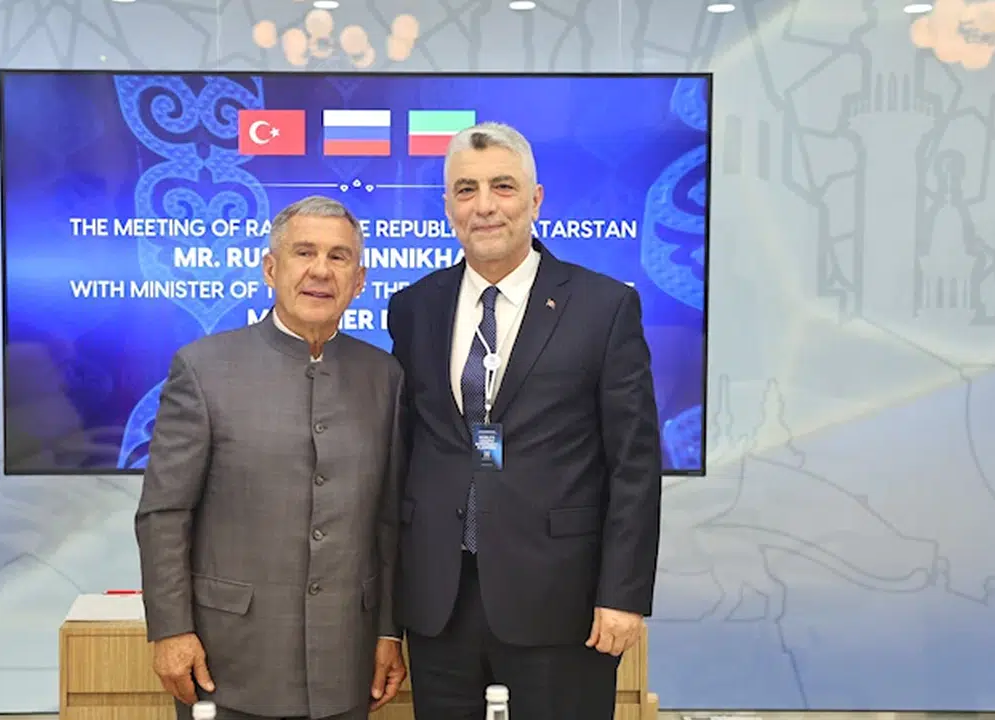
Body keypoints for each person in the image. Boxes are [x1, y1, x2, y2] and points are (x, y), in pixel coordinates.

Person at [386, 122, 663, 720]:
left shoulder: (604, 307)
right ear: (447, 206)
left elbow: (634, 464)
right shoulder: (414, 307)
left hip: (561, 600)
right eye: (466, 190)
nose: (484, 206)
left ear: (536, 200)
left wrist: (623, 594)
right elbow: (404, 456)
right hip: (440, 601)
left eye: (503, 187)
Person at [135, 195, 407, 720]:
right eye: (304, 252)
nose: (320, 271)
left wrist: (388, 631)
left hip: (346, 661)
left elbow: (390, 521)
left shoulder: (384, 376)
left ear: (359, 281)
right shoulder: (204, 369)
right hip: (228, 659)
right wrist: (171, 630)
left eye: (339, 257)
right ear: (270, 268)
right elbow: (164, 514)